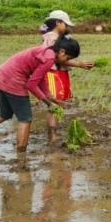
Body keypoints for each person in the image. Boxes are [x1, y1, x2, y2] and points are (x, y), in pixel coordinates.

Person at [0, 36, 81, 153]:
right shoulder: (49, 59)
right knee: (25, 119)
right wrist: (48, 103)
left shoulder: (47, 51)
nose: (67, 61)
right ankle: (21, 155)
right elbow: (31, 85)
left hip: (3, 76)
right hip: (14, 81)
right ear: (62, 51)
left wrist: (51, 97)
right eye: (68, 58)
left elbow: (40, 78)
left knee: (4, 114)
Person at [39, 11, 94, 143]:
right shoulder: (52, 38)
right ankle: (52, 135)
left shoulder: (57, 35)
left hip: (60, 72)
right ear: (58, 22)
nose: (68, 27)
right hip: (53, 73)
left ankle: (53, 131)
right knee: (55, 104)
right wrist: (79, 64)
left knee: (60, 103)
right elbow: (57, 59)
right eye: (65, 24)